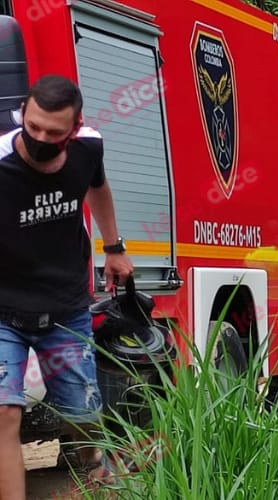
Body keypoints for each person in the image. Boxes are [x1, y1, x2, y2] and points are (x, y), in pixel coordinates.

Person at [0, 75, 133, 499]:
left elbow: (99, 189)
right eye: (32, 126)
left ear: (74, 129)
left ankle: (96, 467)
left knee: (82, 415)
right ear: (23, 112)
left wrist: (114, 247)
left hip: (65, 307)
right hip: (4, 310)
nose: (39, 138)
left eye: (52, 133)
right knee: (4, 412)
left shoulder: (89, 147)